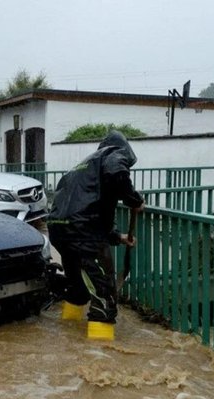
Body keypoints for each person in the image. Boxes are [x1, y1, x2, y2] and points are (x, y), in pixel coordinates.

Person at [47, 130, 145, 341]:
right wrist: (134, 200)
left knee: (78, 287)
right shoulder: (113, 155)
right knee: (104, 291)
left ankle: (68, 330)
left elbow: (87, 206)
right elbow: (116, 173)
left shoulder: (82, 167)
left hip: (60, 229)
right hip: (82, 232)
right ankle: (100, 353)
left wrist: (118, 236)